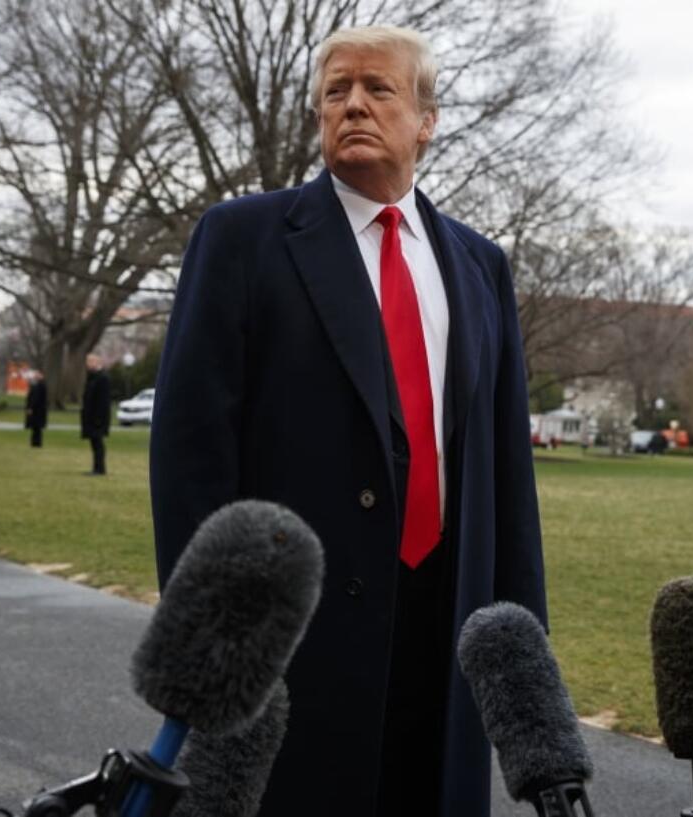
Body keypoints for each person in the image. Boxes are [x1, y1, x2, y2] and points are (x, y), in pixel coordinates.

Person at [150, 25, 545, 817]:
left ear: (426, 120)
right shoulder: (243, 240)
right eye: (337, 91)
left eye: (377, 89)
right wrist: (216, 646)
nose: (353, 104)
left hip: (447, 644)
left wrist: (521, 658)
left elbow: (506, 471)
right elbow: (191, 450)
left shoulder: (479, 265)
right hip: (297, 646)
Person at [80, 354, 110, 474]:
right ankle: (96, 467)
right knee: (94, 443)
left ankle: (100, 468)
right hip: (91, 416)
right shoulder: (92, 377)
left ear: (97, 362)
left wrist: (99, 418)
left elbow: (103, 401)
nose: (87, 363)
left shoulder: (103, 378)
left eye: (90, 361)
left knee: (98, 443)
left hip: (98, 418)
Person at [24, 369, 47, 448]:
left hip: (38, 410)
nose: (36, 376)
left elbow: (36, 398)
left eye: (38, 374)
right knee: (35, 428)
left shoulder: (41, 385)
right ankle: (34, 442)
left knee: (37, 427)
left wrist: (31, 407)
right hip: (36, 409)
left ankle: (37, 443)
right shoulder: (35, 385)